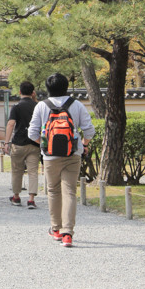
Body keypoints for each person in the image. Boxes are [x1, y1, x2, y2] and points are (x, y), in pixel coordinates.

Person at [27, 72, 96, 247]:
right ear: (66, 86)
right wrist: (84, 144)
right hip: (73, 154)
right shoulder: (77, 105)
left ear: (48, 88)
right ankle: (67, 234)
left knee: (53, 191)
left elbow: (32, 133)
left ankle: (56, 229)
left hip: (50, 157)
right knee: (70, 192)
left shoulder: (41, 106)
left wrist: (44, 145)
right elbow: (89, 131)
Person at [2, 81, 40, 209]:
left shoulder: (16, 106)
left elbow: (11, 124)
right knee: (33, 171)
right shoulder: (38, 106)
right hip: (35, 143)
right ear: (33, 92)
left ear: (19, 92)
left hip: (18, 143)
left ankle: (16, 197)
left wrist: (6, 142)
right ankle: (31, 199)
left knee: (17, 171)